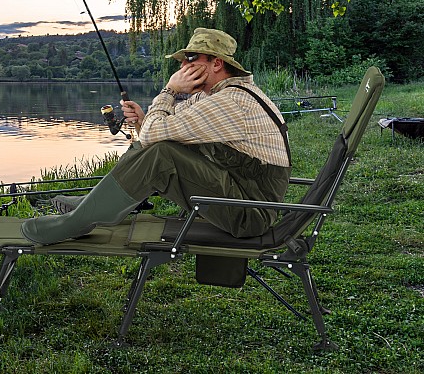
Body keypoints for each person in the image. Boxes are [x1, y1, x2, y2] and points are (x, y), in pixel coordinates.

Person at [21, 28, 291, 245]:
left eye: (191, 59)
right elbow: (158, 131)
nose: (183, 67)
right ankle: (90, 205)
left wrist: (170, 89)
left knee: (163, 155)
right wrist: (142, 120)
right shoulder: (215, 96)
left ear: (216, 63)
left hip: (250, 213)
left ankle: (78, 222)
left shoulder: (230, 102)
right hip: (238, 196)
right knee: (161, 146)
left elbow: (155, 135)